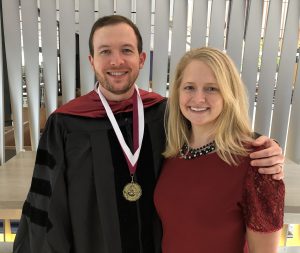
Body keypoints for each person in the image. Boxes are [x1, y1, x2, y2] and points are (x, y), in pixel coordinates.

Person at [13, 15, 284, 253]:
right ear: (92, 60)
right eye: (105, 51)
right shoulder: (66, 123)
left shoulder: (164, 112)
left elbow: (216, 129)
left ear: (141, 59)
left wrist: (265, 145)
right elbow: (48, 207)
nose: (116, 60)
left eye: (127, 50)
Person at [154, 47, 284, 253]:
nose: (198, 99)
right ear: (177, 91)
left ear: (229, 93)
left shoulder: (256, 163)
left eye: (211, 88)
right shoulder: (172, 152)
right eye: (189, 87)